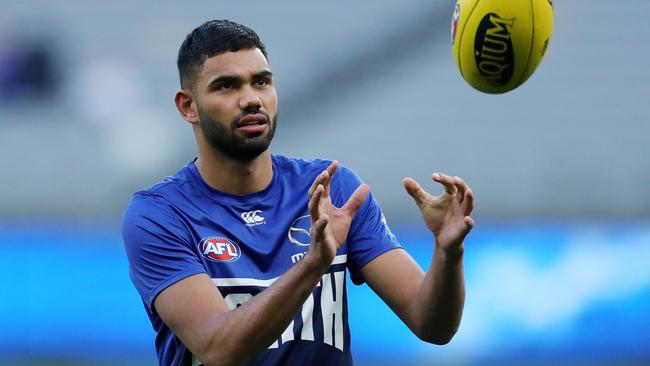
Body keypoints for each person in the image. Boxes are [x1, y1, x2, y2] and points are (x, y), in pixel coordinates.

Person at [122, 19, 475, 366]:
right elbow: (219, 348)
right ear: (188, 106)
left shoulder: (333, 189)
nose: (251, 99)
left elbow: (432, 325)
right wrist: (314, 265)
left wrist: (448, 253)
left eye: (261, 82)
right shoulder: (159, 215)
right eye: (227, 86)